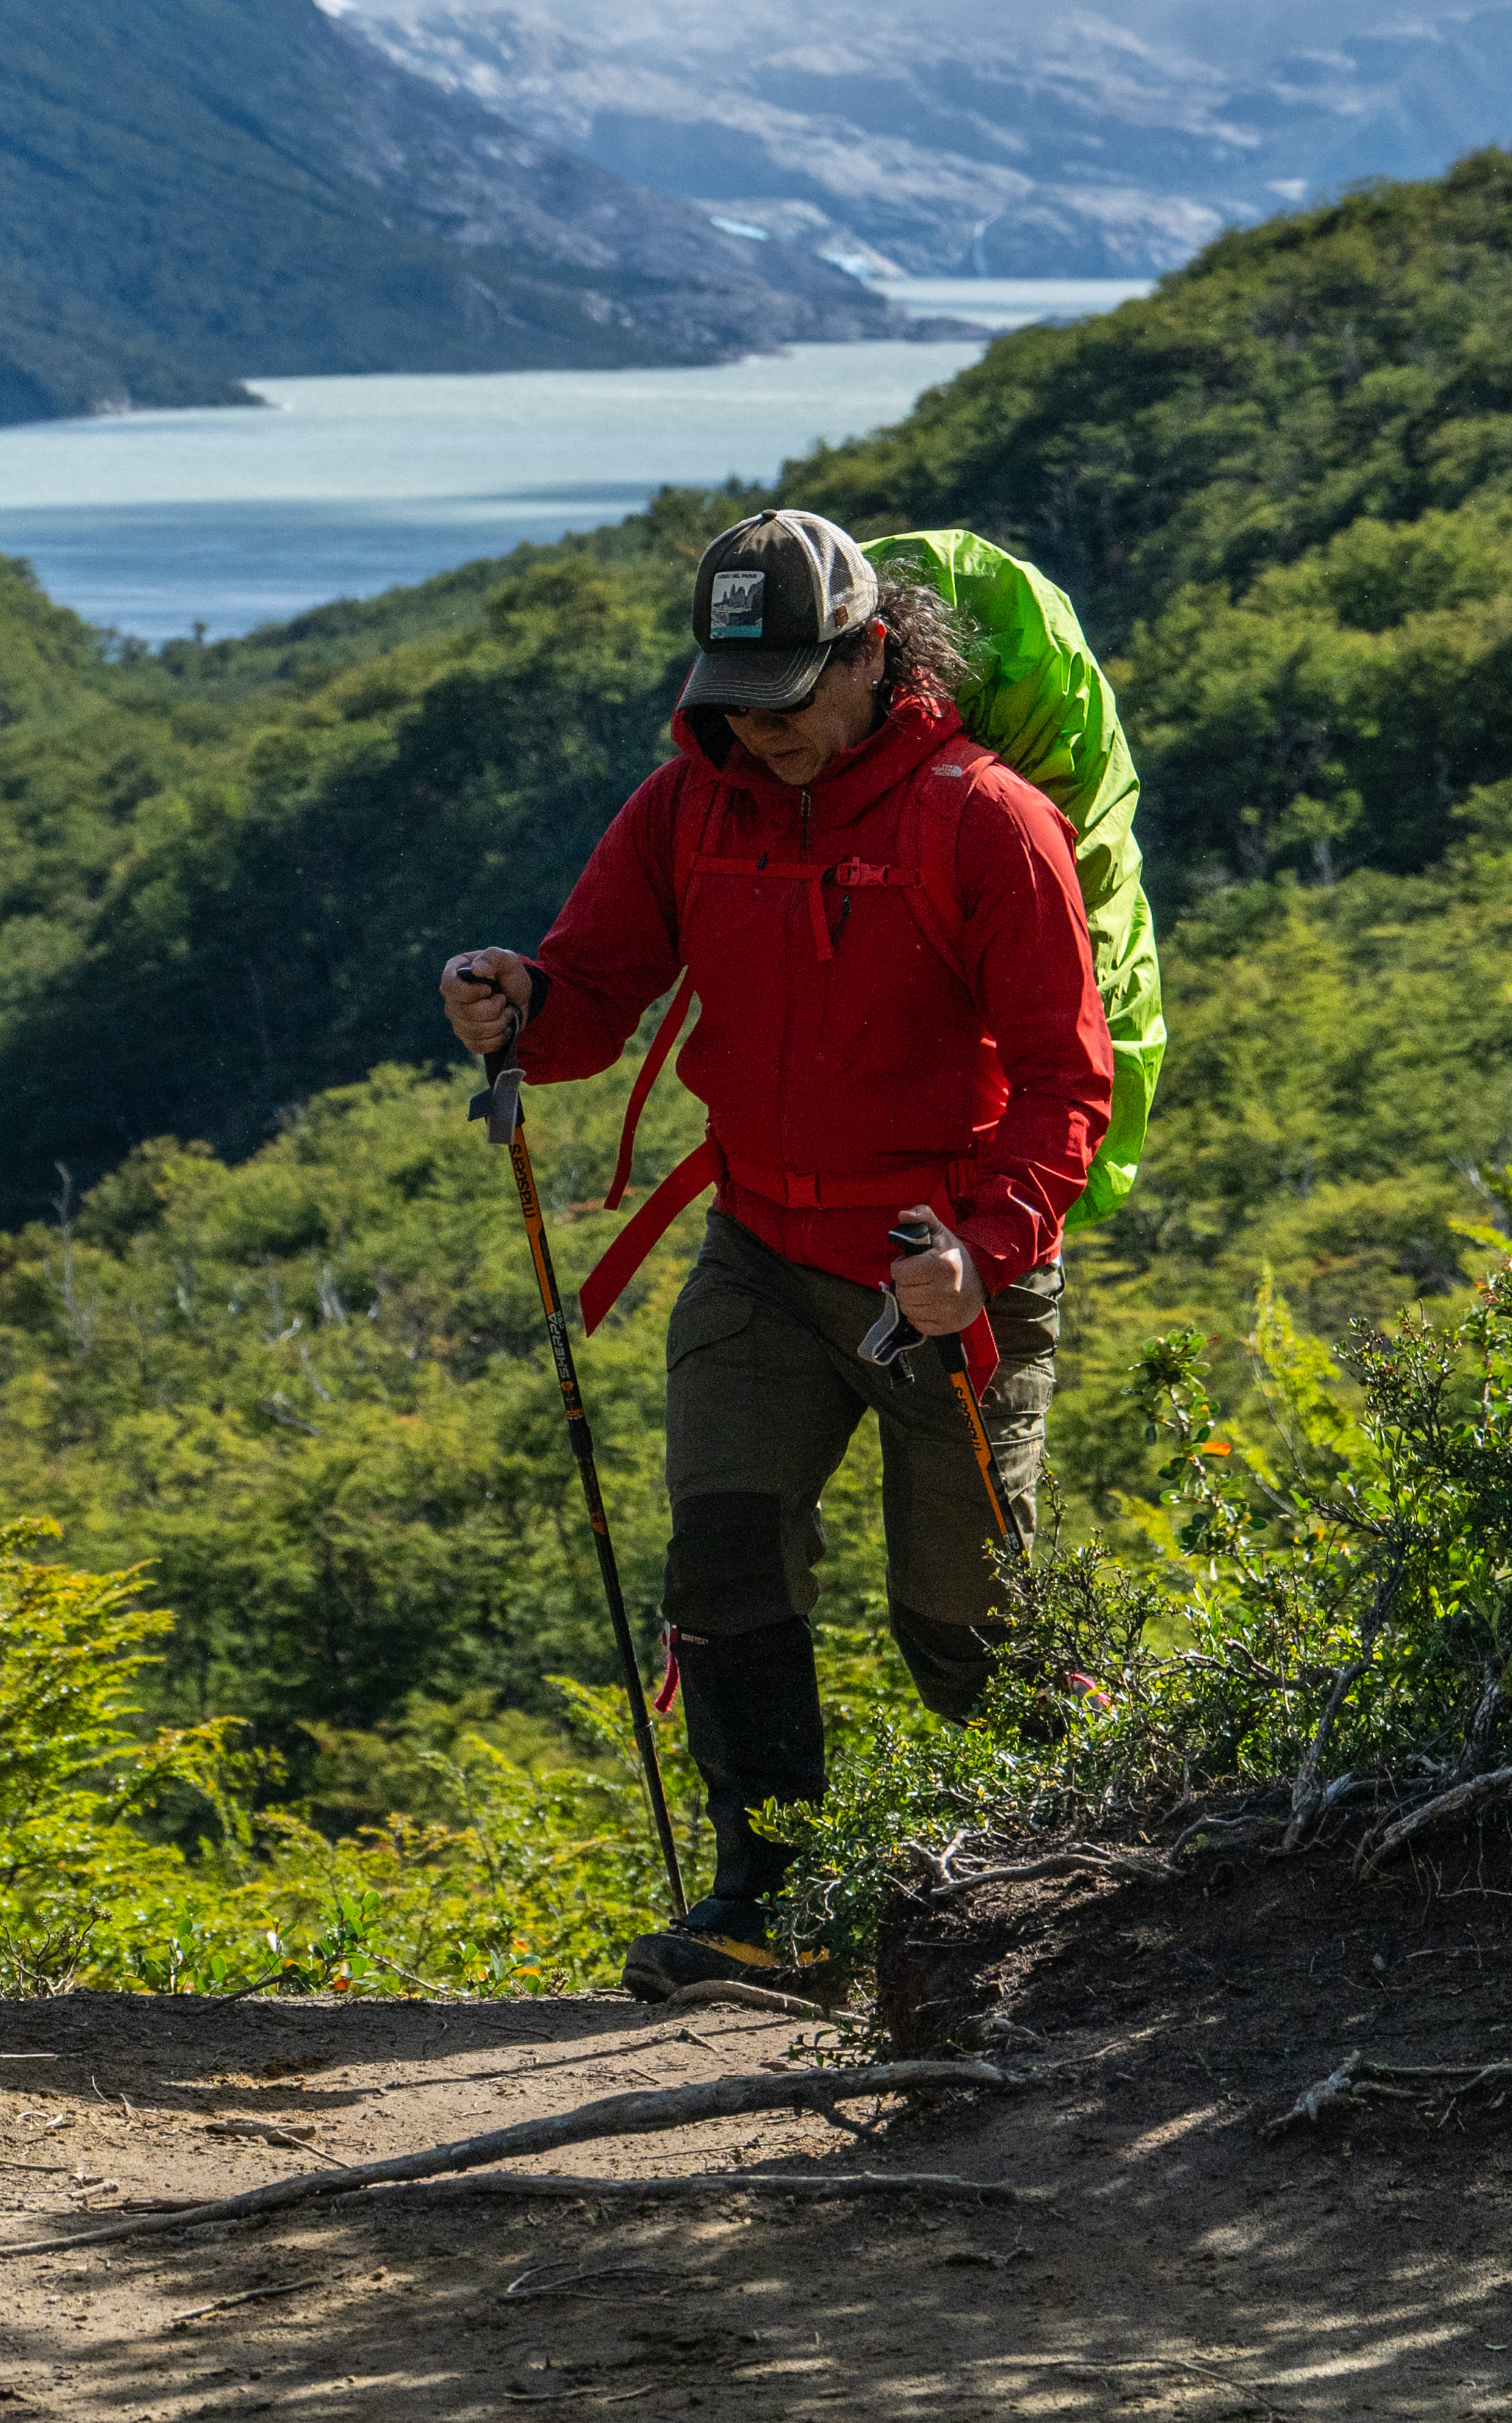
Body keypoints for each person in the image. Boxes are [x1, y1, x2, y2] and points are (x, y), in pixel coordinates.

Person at [438, 505, 1118, 2000]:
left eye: (800, 687)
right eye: (741, 698)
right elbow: (596, 993)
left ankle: (1115, 1868)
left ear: (877, 655)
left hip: (933, 1265)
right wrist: (516, 1002)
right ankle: (773, 1908)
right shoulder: (689, 810)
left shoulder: (985, 818)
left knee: (964, 1634)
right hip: (757, 1245)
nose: (768, 727)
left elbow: (1069, 1082)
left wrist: (985, 1246)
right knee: (727, 1554)